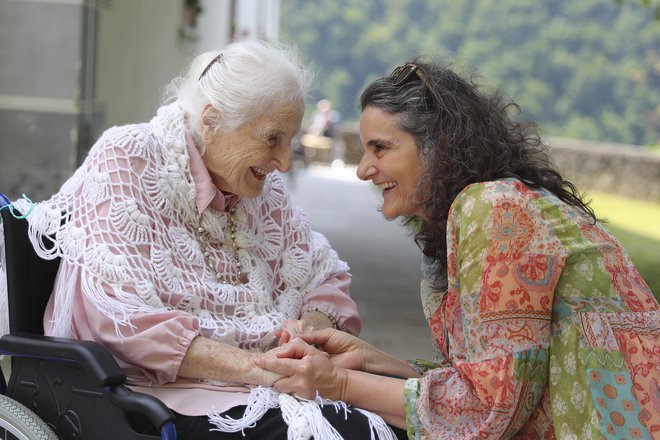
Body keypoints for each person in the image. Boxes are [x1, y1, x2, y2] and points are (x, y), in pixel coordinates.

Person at [3, 40, 405, 439]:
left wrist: (310, 328)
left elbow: (321, 273)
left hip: (258, 384)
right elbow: (121, 319)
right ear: (212, 120)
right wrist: (259, 367)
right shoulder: (129, 157)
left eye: (289, 140)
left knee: (394, 421)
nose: (283, 162)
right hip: (155, 391)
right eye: (272, 139)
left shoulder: (260, 187)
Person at [257, 59, 660, 438]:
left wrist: (338, 382)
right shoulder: (483, 209)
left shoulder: (496, 209)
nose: (363, 169)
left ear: (438, 146)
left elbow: (493, 408)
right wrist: (369, 360)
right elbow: (487, 385)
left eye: (380, 148)